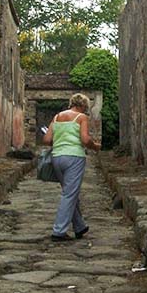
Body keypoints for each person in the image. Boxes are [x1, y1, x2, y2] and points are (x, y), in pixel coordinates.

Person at [43, 93, 101, 241]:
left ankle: (79, 226)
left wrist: (60, 141)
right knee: (69, 194)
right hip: (74, 157)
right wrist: (94, 146)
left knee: (69, 192)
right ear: (83, 106)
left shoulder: (57, 117)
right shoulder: (81, 117)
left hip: (57, 157)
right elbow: (85, 139)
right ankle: (58, 231)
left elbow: (47, 139)